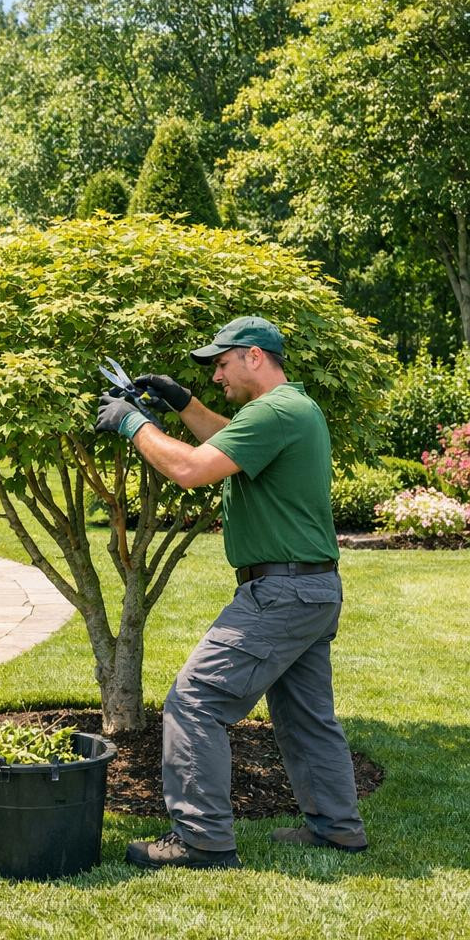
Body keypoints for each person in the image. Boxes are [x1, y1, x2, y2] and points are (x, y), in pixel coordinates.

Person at [95, 316, 366, 870]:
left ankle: (201, 841)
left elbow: (193, 469)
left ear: (255, 357)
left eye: (221, 363)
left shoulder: (274, 411)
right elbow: (225, 441)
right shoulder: (291, 409)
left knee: (195, 700)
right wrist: (183, 403)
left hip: (282, 593)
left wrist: (133, 425)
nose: (217, 374)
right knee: (304, 715)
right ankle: (337, 830)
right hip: (310, 588)